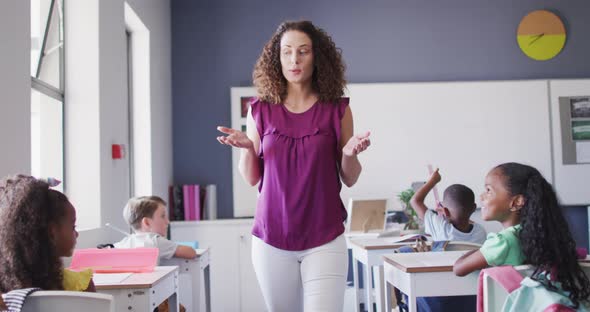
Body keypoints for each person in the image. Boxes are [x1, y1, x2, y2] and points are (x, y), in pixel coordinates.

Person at [216, 20, 370, 311]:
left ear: (317, 57)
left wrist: (349, 154)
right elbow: (252, 178)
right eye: (286, 52)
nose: (294, 59)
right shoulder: (259, 110)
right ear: (277, 59)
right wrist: (248, 149)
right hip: (271, 238)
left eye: (303, 51)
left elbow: (350, 178)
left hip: (325, 237)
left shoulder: (338, 110)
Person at [453, 162, 590, 309]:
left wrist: (480, 249)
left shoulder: (502, 242)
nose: (481, 196)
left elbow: (458, 268)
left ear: (517, 201)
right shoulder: (542, 237)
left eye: (488, 190)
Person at [0, 175, 95, 292]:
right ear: (52, 232)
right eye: (73, 226)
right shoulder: (81, 285)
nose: (76, 233)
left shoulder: (5, 292)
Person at [410, 168, 486, 244]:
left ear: (445, 211)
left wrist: (433, 181)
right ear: (474, 208)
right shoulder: (480, 233)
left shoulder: (440, 227)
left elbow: (415, 201)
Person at [114, 196, 197, 261]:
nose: (167, 221)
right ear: (147, 223)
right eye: (163, 216)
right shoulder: (155, 241)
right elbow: (191, 253)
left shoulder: (126, 241)